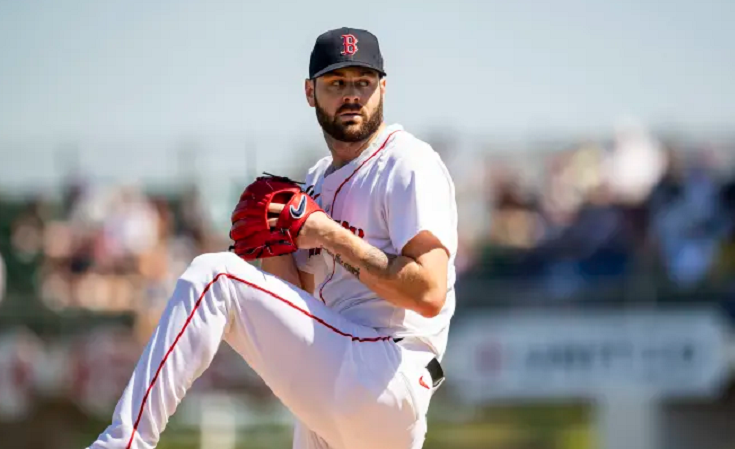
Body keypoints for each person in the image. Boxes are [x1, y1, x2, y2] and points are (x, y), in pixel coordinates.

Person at [88, 27, 458, 449]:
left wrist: (332, 237)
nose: (352, 94)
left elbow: (429, 291)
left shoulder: (407, 163)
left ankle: (123, 442)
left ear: (383, 89)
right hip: (340, 379)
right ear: (310, 92)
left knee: (216, 277)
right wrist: (274, 245)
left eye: (364, 81)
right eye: (337, 83)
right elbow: (295, 304)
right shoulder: (315, 182)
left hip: (390, 367)